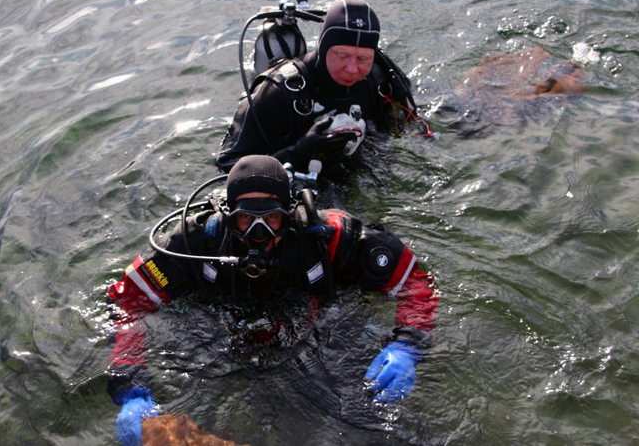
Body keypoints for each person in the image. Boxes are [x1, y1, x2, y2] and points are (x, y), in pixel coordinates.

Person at [105, 155, 438, 445]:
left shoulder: (327, 237)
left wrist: (408, 345)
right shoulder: (194, 242)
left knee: (365, 420)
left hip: (316, 329)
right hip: (216, 330)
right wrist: (128, 386)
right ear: (228, 215)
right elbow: (128, 302)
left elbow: (414, 283)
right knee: (169, 427)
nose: (259, 234)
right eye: (246, 219)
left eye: (272, 218)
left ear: (290, 214)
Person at [216, 0, 427, 173]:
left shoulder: (380, 77)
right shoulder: (276, 92)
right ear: (324, 48)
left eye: (363, 58)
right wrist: (298, 153)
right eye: (341, 56)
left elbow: (413, 116)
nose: (352, 68)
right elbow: (227, 165)